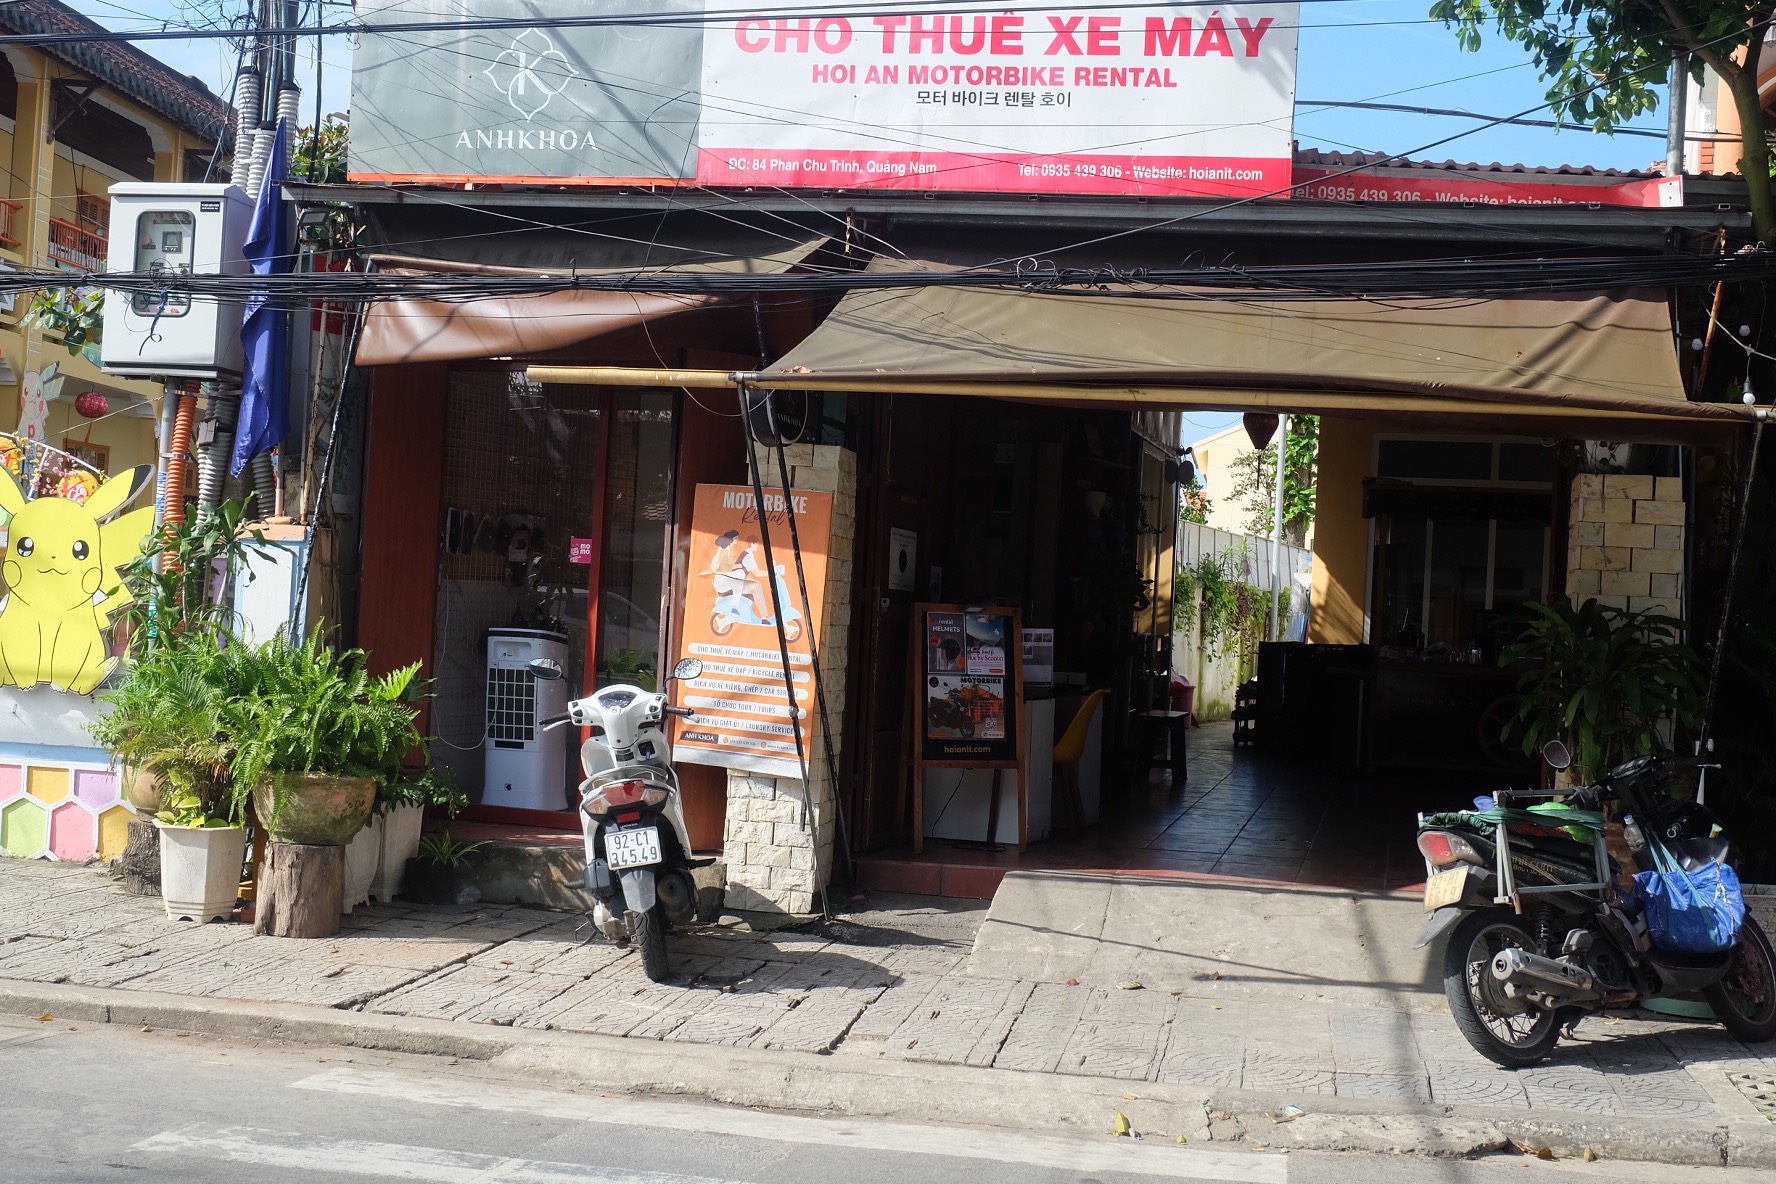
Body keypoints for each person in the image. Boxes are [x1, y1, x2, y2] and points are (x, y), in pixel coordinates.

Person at [703, 529, 771, 620]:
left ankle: (758, 616)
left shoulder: (729, 548)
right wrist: (734, 566)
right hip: (723, 580)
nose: (737, 540)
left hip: (725, 579)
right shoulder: (726, 549)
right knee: (741, 581)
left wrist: (734, 565)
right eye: (736, 538)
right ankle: (761, 617)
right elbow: (723, 566)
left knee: (743, 582)